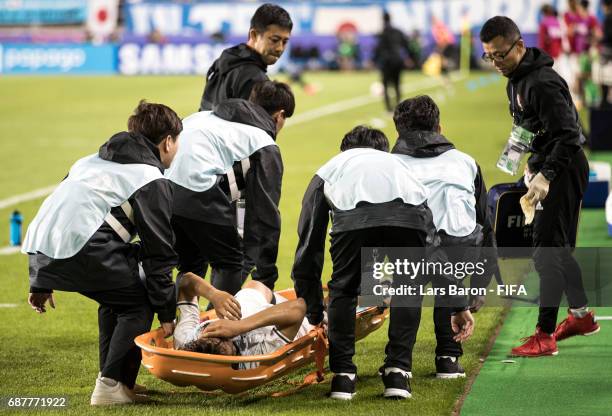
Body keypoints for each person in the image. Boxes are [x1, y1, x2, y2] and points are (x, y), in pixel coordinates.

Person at [291, 126, 474, 400]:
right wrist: (458, 304)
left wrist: (315, 312)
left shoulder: (332, 168)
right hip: (407, 216)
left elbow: (309, 246)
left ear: (345, 151)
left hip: (351, 219)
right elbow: (435, 248)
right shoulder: (399, 167)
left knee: (344, 288)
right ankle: (398, 374)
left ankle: (343, 378)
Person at [23, 100, 182, 405]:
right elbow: (159, 252)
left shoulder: (89, 161)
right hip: (84, 249)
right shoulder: (149, 178)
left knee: (117, 296)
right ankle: (110, 386)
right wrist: (166, 311)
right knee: (138, 303)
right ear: (167, 142)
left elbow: (57, 212)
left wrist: (39, 279)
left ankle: (118, 383)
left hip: (41, 246)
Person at [480, 16, 600, 357]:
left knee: (546, 253)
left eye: (501, 55)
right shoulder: (515, 80)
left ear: (519, 46)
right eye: (490, 56)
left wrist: (546, 175)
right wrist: (530, 164)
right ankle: (581, 317)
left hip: (562, 169)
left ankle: (544, 335)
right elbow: (529, 128)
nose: (496, 63)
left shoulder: (541, 83)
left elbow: (568, 137)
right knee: (557, 249)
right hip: (546, 167)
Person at [391, 95, 497, 378]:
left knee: (407, 288)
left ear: (399, 132)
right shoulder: (466, 162)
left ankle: (399, 366)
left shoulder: (391, 164)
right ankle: (448, 358)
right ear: (440, 127)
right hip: (459, 248)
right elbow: (484, 223)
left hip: (412, 246)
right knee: (449, 274)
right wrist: (478, 284)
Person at [165, 80, 295, 294]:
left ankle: (186, 322)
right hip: (196, 190)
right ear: (279, 115)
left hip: (160, 188)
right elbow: (265, 213)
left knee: (191, 264)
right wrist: (266, 275)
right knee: (231, 262)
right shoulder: (261, 142)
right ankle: (216, 323)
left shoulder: (204, 116)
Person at [174, 273, 313, 369]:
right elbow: (298, 307)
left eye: (212, 334)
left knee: (252, 286)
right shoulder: (255, 357)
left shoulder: (186, 340)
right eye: (225, 340)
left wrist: (213, 294)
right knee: (322, 310)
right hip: (288, 320)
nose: (221, 333)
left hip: (255, 298)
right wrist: (239, 327)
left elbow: (186, 281)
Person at [198, 3, 292, 111]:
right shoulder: (256, 80)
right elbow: (252, 127)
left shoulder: (221, 62)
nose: (280, 48)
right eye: (274, 40)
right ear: (254, 35)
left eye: (285, 42)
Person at [372, 11, 411, 112]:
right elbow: (406, 44)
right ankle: (398, 108)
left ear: (383, 19)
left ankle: (389, 109)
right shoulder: (397, 31)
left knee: (386, 86)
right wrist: (410, 57)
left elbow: (378, 48)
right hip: (398, 61)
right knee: (397, 85)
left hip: (387, 62)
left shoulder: (383, 32)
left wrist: (373, 60)